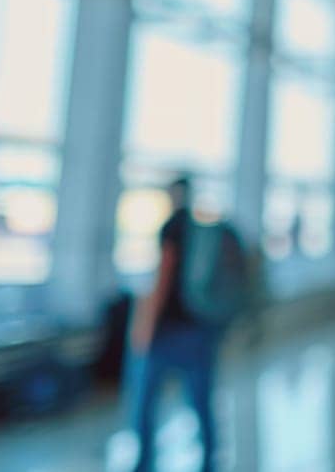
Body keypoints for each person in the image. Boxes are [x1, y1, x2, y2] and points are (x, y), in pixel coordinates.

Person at [127, 176, 222, 472]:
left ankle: (144, 463)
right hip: (201, 330)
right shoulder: (204, 232)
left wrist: (143, 327)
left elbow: (162, 280)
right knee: (202, 404)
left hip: (168, 333)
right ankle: (209, 461)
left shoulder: (171, 229)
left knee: (145, 402)